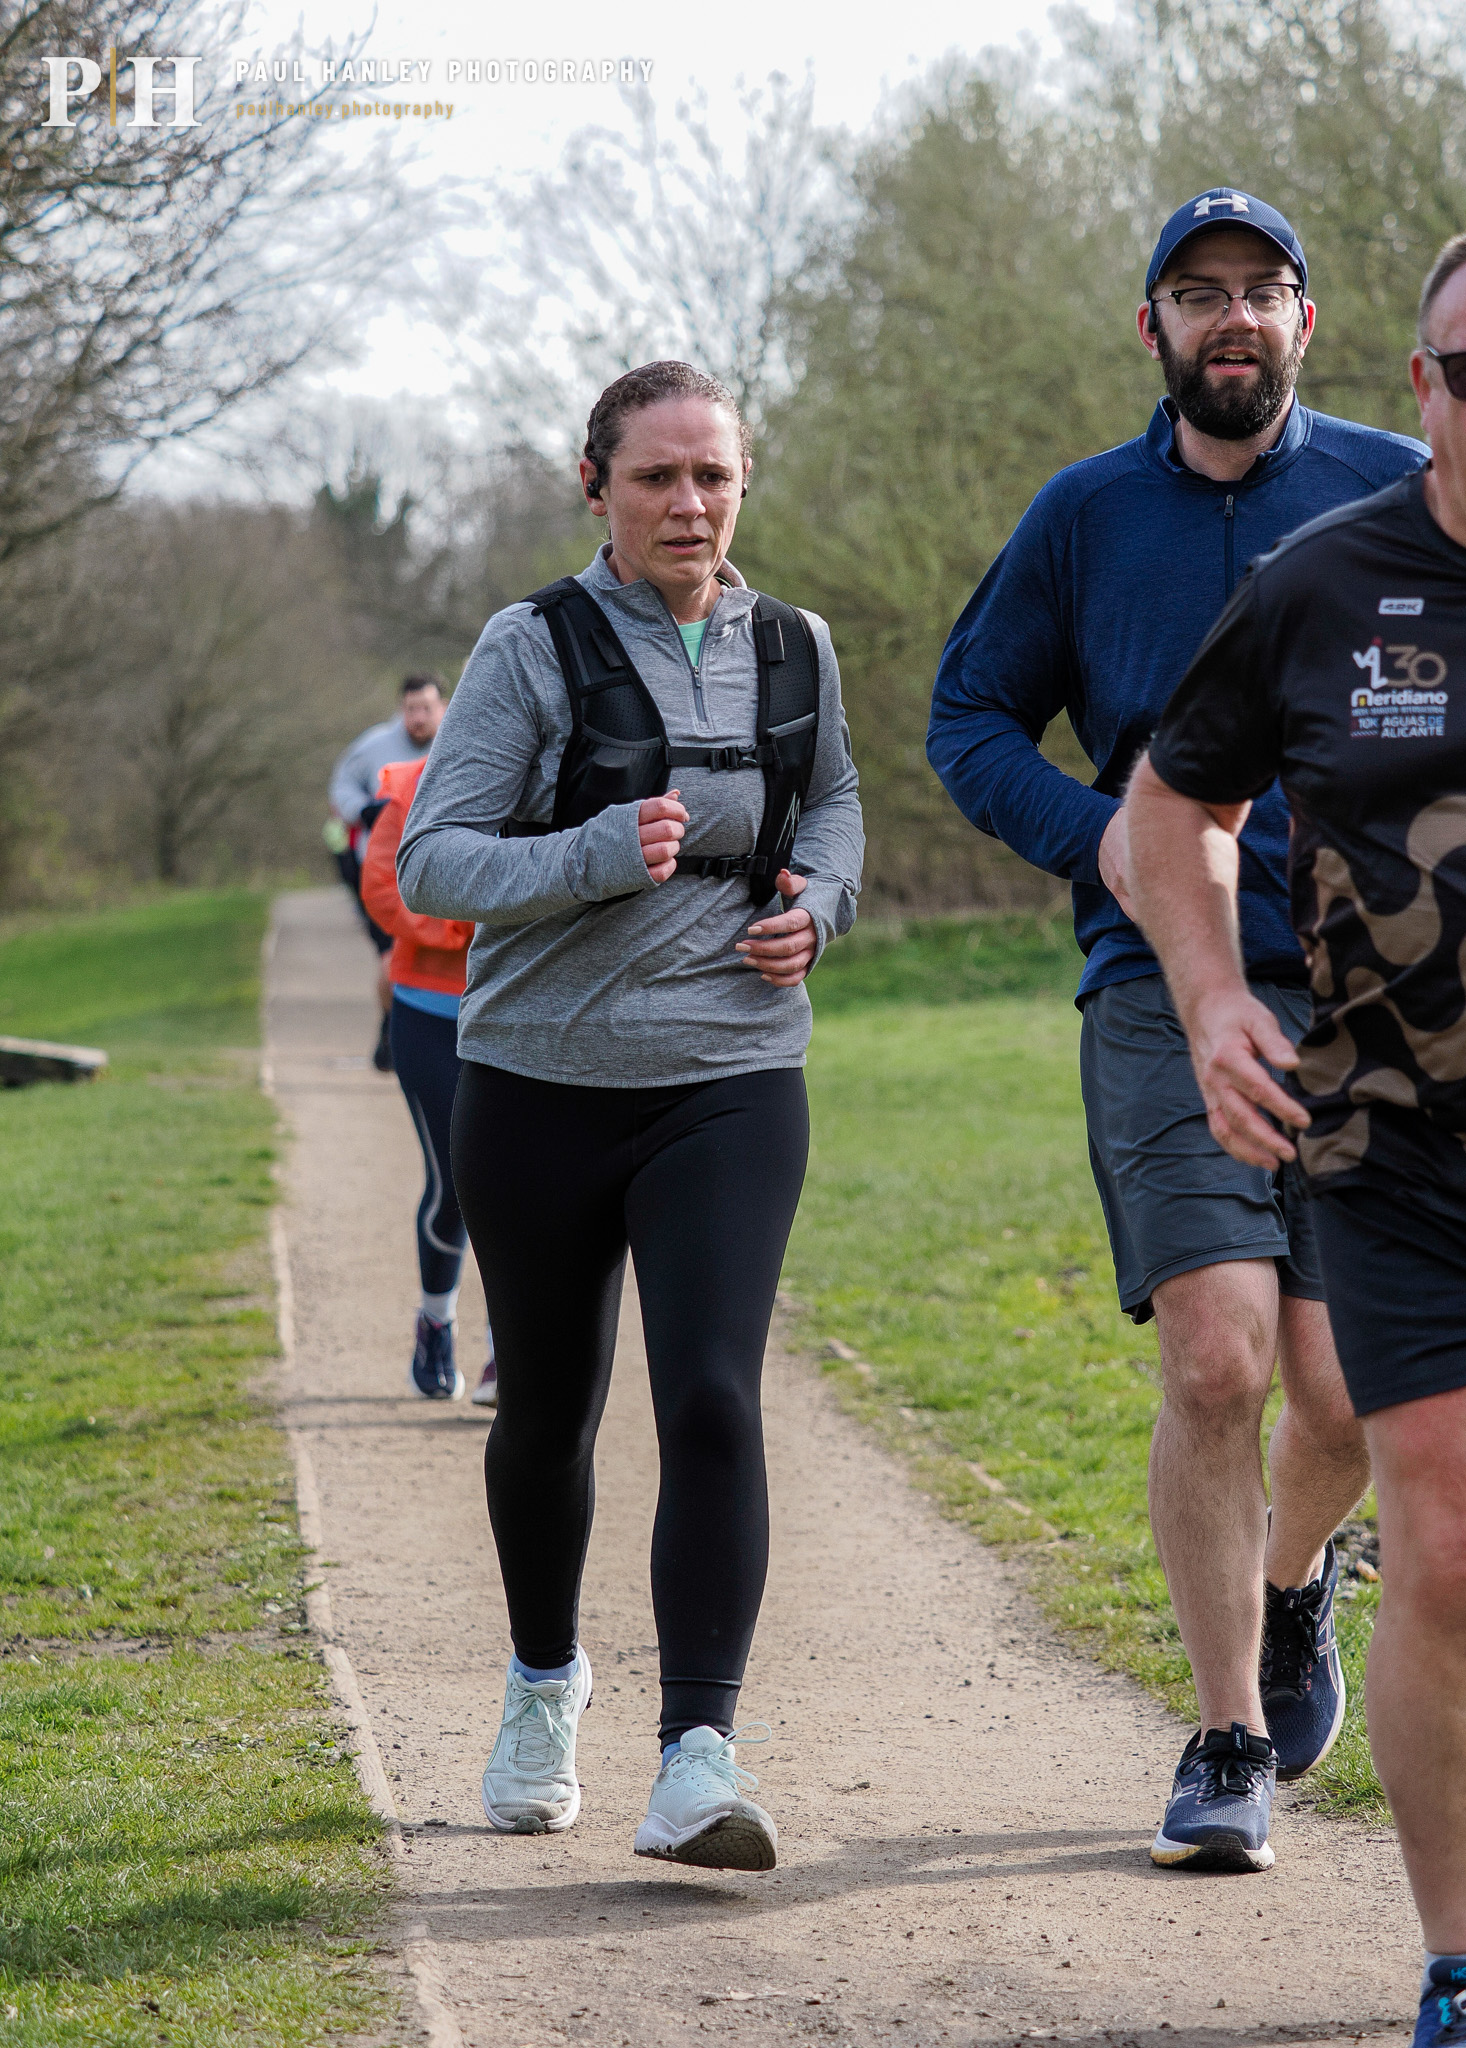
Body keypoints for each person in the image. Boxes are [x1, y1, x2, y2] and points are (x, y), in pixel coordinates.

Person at [927, 188, 1429, 1872]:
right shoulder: (1083, 518)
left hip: (1376, 992)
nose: (1232, 317)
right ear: (1151, 326)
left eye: (1261, 290)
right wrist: (1106, 846)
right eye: (1198, 292)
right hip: (1159, 982)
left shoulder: (1393, 491)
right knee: (1217, 1356)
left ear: (1307, 322)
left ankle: (1292, 1586)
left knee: (1343, 1392)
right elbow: (969, 713)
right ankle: (1225, 1738)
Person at [1126, 214, 1466, 2046]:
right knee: (1464, 1552)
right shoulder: (1323, 585)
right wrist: (1215, 996)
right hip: (1404, 1149)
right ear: (1422, 387)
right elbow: (1167, 816)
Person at [397, 359, 863, 1869]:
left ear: (744, 483)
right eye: (656, 475)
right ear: (595, 485)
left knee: (714, 1394)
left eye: (712, 474)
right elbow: (433, 864)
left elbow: (835, 802)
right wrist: (596, 849)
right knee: (548, 1411)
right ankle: (545, 1683)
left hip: (731, 1076)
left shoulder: (793, 644)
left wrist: (821, 902)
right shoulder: (529, 646)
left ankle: (696, 1759)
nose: (688, 503)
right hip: (539, 1082)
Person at [360, 759, 497, 1408]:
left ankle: (507, 1350)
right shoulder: (417, 781)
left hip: (521, 1010)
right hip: (428, 1013)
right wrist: (469, 924)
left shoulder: (554, 760)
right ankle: (435, 1324)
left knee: (520, 1185)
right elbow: (383, 887)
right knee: (457, 1183)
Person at [329, 675, 447, 1071]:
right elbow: (341, 786)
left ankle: (409, 1030)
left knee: (427, 961)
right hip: (383, 875)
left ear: (443, 708)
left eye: (426, 709)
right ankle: (393, 1027)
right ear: (401, 709)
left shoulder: (459, 743)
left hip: (437, 874)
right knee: (392, 959)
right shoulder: (374, 746)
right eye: (411, 709)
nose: (418, 718)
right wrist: (364, 811)